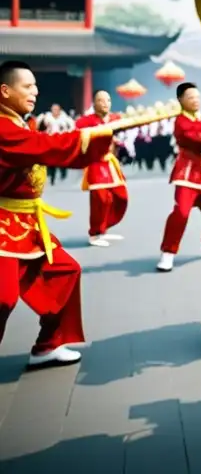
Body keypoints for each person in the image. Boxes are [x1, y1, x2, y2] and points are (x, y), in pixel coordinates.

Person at [0, 61, 117, 368]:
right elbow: (44, 147)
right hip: (2, 222)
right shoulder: (4, 127)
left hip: (27, 224)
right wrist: (93, 135)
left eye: (35, 86)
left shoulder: (20, 123)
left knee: (65, 272)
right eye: (27, 86)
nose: (34, 92)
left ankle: (47, 345)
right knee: (3, 298)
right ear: (4, 91)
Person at [156, 82, 201, 272]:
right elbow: (192, 136)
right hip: (186, 173)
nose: (195, 101)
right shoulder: (180, 121)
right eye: (191, 97)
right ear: (180, 100)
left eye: (197, 97)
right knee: (181, 212)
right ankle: (168, 253)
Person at [75, 90, 129, 247]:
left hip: (111, 163)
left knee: (121, 196)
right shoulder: (85, 121)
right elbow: (77, 135)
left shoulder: (115, 119)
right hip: (95, 163)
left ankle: (104, 227)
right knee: (100, 198)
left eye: (108, 100)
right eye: (101, 100)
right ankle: (95, 233)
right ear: (94, 103)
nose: (105, 103)